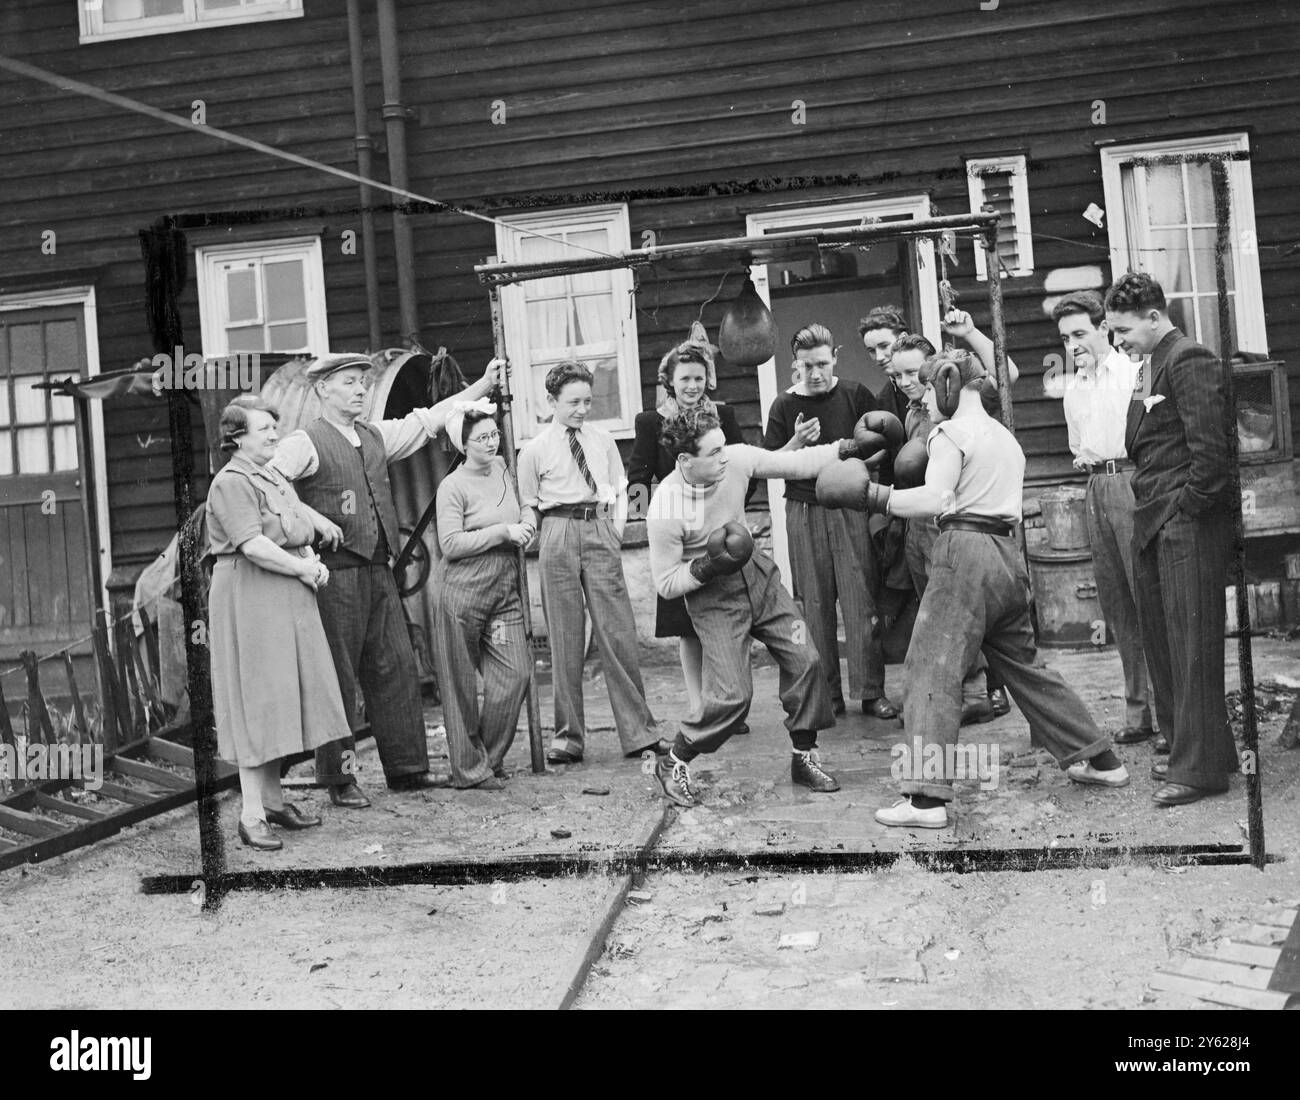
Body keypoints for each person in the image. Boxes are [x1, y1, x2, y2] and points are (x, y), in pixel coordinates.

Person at [816, 348, 1129, 828]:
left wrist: (872, 496)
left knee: (929, 670)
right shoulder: (1005, 436)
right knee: (1024, 667)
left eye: (925, 392)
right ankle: (1101, 759)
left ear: (946, 384)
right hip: (1007, 556)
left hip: (963, 549)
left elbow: (936, 498)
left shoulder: (950, 433)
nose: (923, 404)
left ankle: (925, 801)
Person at [270, 351, 502, 807]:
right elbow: (268, 481)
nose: (360, 390)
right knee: (337, 677)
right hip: (333, 576)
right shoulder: (305, 442)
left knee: (395, 667)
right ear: (323, 389)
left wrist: (483, 385)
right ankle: (340, 780)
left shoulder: (374, 436)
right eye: (350, 383)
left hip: (380, 572)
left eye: (363, 382)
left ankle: (406, 769)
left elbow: (430, 421)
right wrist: (313, 520)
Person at [646, 407, 885, 807]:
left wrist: (847, 447)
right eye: (714, 452)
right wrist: (707, 565)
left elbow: (795, 462)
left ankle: (803, 756)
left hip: (759, 576)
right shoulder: (665, 506)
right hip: (712, 596)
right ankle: (675, 760)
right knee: (732, 697)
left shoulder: (735, 460)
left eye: (725, 447)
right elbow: (667, 583)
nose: (725, 457)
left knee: (807, 659)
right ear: (685, 460)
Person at [1105, 272, 1237, 805]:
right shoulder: (1148, 366)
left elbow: (1212, 456)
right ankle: (1201, 750)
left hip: (1185, 523)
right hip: (1153, 518)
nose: (1117, 341)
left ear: (1155, 317)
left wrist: (1189, 513)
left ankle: (1199, 770)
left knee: (1193, 646)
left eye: (1123, 329)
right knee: (1167, 643)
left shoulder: (1188, 358)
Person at [860, 305, 1022, 717]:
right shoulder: (912, 411)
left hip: (955, 522)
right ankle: (949, 697)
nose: (905, 382)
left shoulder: (959, 405)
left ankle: (978, 695)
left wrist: (969, 333)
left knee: (961, 612)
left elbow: (1009, 376)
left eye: (914, 374)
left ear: (936, 373)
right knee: (934, 609)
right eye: (896, 375)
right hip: (919, 523)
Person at [206, 396, 352, 851]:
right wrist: (304, 568)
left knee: (280, 697)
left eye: (275, 426)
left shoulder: (269, 474)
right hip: (250, 593)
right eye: (264, 428)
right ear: (237, 437)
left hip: (284, 590)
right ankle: (250, 816)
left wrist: (310, 555)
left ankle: (272, 800)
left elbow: (291, 524)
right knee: (257, 701)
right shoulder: (230, 482)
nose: (274, 434)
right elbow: (252, 545)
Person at [518, 361, 669, 765]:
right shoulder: (534, 450)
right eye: (573, 402)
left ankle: (640, 733)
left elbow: (623, 490)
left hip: (599, 527)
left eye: (588, 400)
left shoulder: (602, 440)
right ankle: (568, 737)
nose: (583, 409)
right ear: (551, 401)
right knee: (565, 637)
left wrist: (615, 531)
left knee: (617, 633)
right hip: (558, 532)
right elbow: (529, 503)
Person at [762, 324, 899, 719]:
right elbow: (770, 464)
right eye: (807, 366)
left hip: (850, 508)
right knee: (814, 603)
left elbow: (882, 449)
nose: (816, 373)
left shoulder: (855, 394)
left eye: (822, 363)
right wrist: (796, 444)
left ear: (835, 356)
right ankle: (827, 694)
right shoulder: (784, 406)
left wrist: (855, 469)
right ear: (796, 365)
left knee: (861, 598)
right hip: (803, 510)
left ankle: (871, 692)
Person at [1052, 290, 1157, 747]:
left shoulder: (1135, 371)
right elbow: (1079, 447)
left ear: (1103, 329)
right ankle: (1139, 713)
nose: (1072, 345)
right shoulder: (1073, 387)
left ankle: (1169, 715)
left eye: (1079, 334)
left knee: (1146, 596)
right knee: (1116, 604)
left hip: (1132, 482)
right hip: (1094, 486)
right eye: (1064, 338)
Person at [629, 339, 747, 718]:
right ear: (670, 381)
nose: (692, 386)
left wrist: (726, 502)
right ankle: (698, 704)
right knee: (690, 629)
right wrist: (665, 512)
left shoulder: (724, 417)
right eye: (685, 379)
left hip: (723, 532)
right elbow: (637, 485)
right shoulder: (651, 421)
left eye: (699, 378)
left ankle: (728, 703)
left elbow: (743, 465)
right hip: (682, 541)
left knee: (728, 624)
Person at [428, 400, 533, 790]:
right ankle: (469, 770)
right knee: (459, 686)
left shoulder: (505, 470)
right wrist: (503, 533)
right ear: (464, 444)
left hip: (503, 590)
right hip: (462, 591)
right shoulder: (452, 486)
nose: (492, 443)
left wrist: (527, 520)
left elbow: (523, 508)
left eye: (495, 435)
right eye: (483, 438)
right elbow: (451, 543)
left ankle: (487, 757)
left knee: (515, 672)